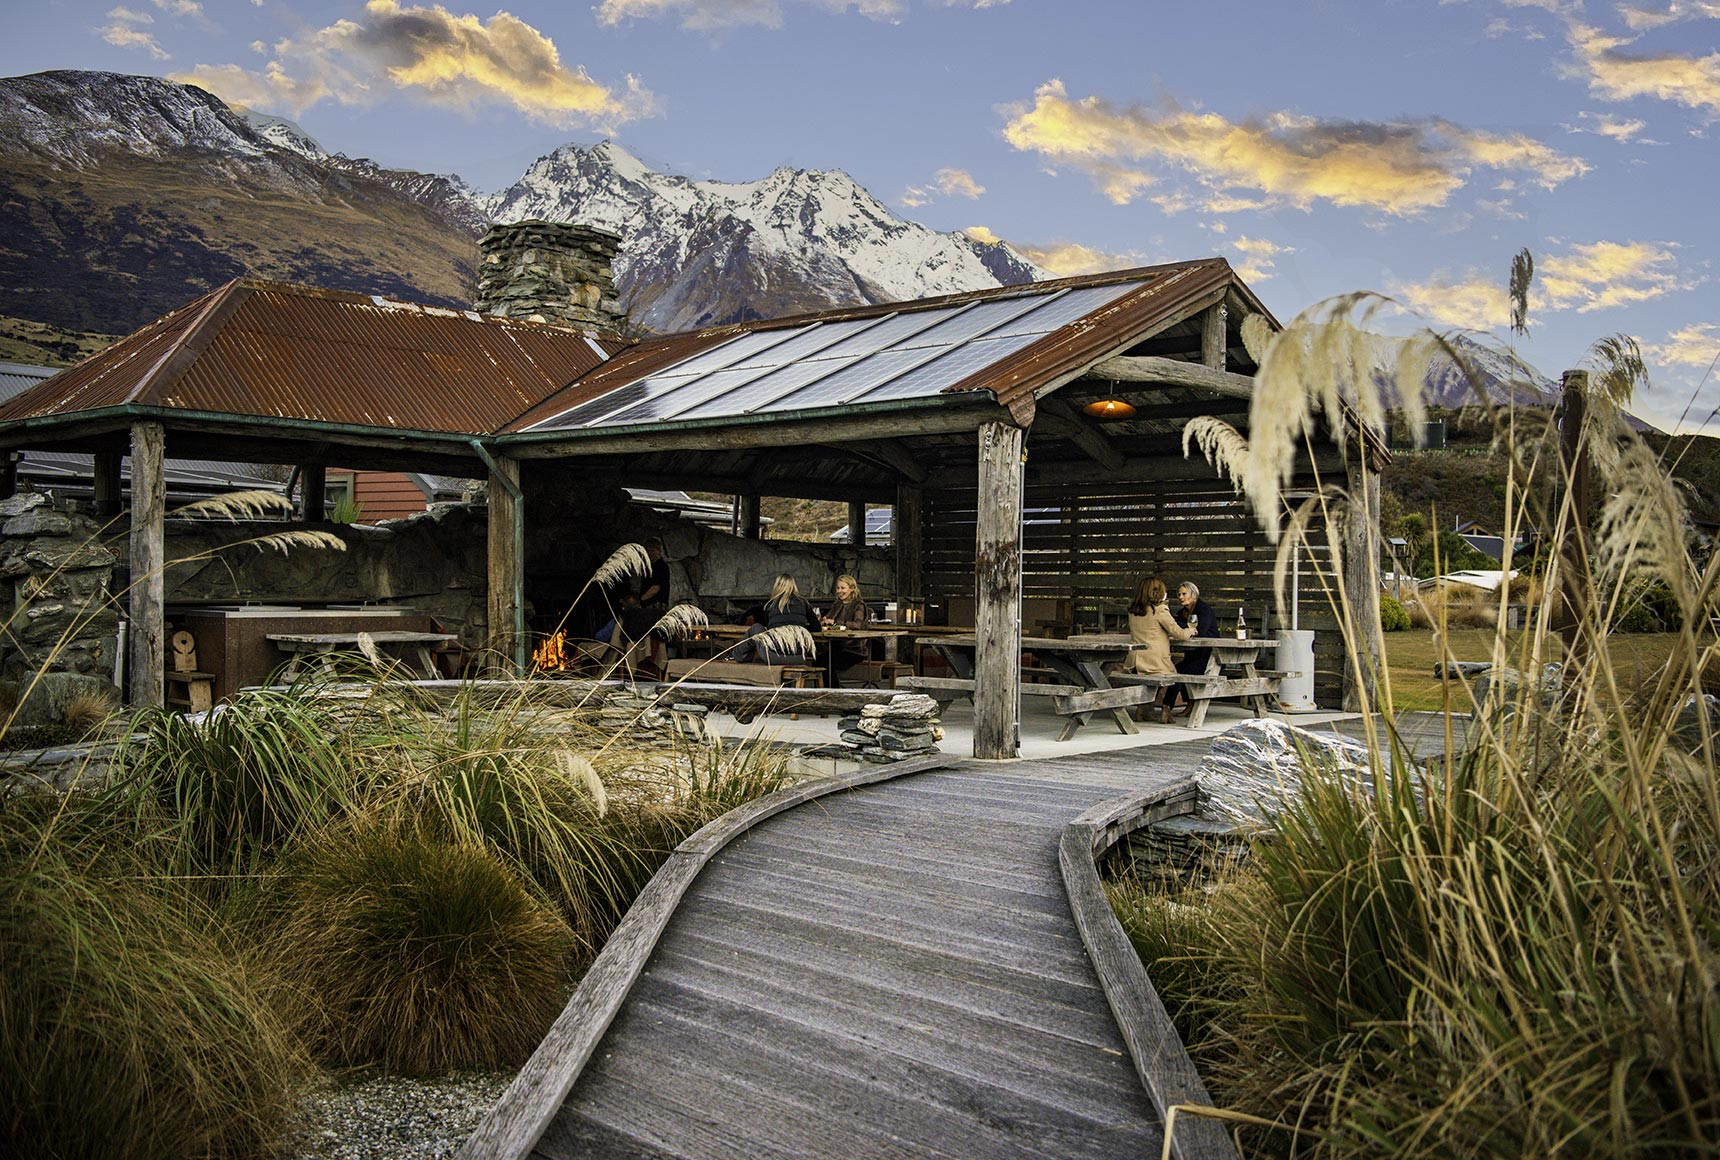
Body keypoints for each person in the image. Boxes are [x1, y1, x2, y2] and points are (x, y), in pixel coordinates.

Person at [1125, 577, 1194, 722]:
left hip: (1136, 662)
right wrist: (1191, 631)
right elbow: (1179, 634)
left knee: (1153, 680)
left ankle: (1142, 709)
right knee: (1176, 677)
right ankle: (1166, 710)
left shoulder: (1133, 611)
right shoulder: (1159, 610)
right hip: (1155, 661)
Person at [731, 573, 819, 663]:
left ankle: (736, 656)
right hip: (799, 655)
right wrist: (800, 629)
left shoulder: (770, 605)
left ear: (776, 586)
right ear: (794, 586)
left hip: (774, 655)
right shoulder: (803, 602)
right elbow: (817, 627)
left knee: (756, 628)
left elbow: (769, 629)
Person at [1165, 580, 1218, 716]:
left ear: (1193, 594)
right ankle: (1185, 705)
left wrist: (1182, 626)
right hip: (1192, 654)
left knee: (1179, 671)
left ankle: (1167, 707)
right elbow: (1174, 627)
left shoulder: (1203, 609)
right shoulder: (1182, 612)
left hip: (1210, 657)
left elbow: (1200, 630)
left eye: (1184, 594)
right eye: (1179, 594)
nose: (1180, 597)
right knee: (1178, 670)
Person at [821, 573, 874, 675]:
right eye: (838, 588)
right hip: (836, 646)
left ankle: (833, 690)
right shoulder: (837, 604)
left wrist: (836, 623)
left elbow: (857, 625)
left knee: (828, 662)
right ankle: (826, 688)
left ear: (852, 589)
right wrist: (824, 621)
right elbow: (828, 619)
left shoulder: (859, 605)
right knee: (819, 660)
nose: (839, 591)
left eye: (842, 588)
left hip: (854, 649)